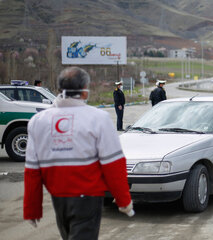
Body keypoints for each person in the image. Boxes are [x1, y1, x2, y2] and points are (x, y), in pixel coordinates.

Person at [23, 67, 134, 240]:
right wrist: (124, 200)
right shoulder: (98, 118)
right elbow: (113, 164)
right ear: (84, 91)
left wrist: (31, 208)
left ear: (60, 90)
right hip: (88, 198)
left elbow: (32, 170)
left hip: (58, 198)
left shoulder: (38, 121)